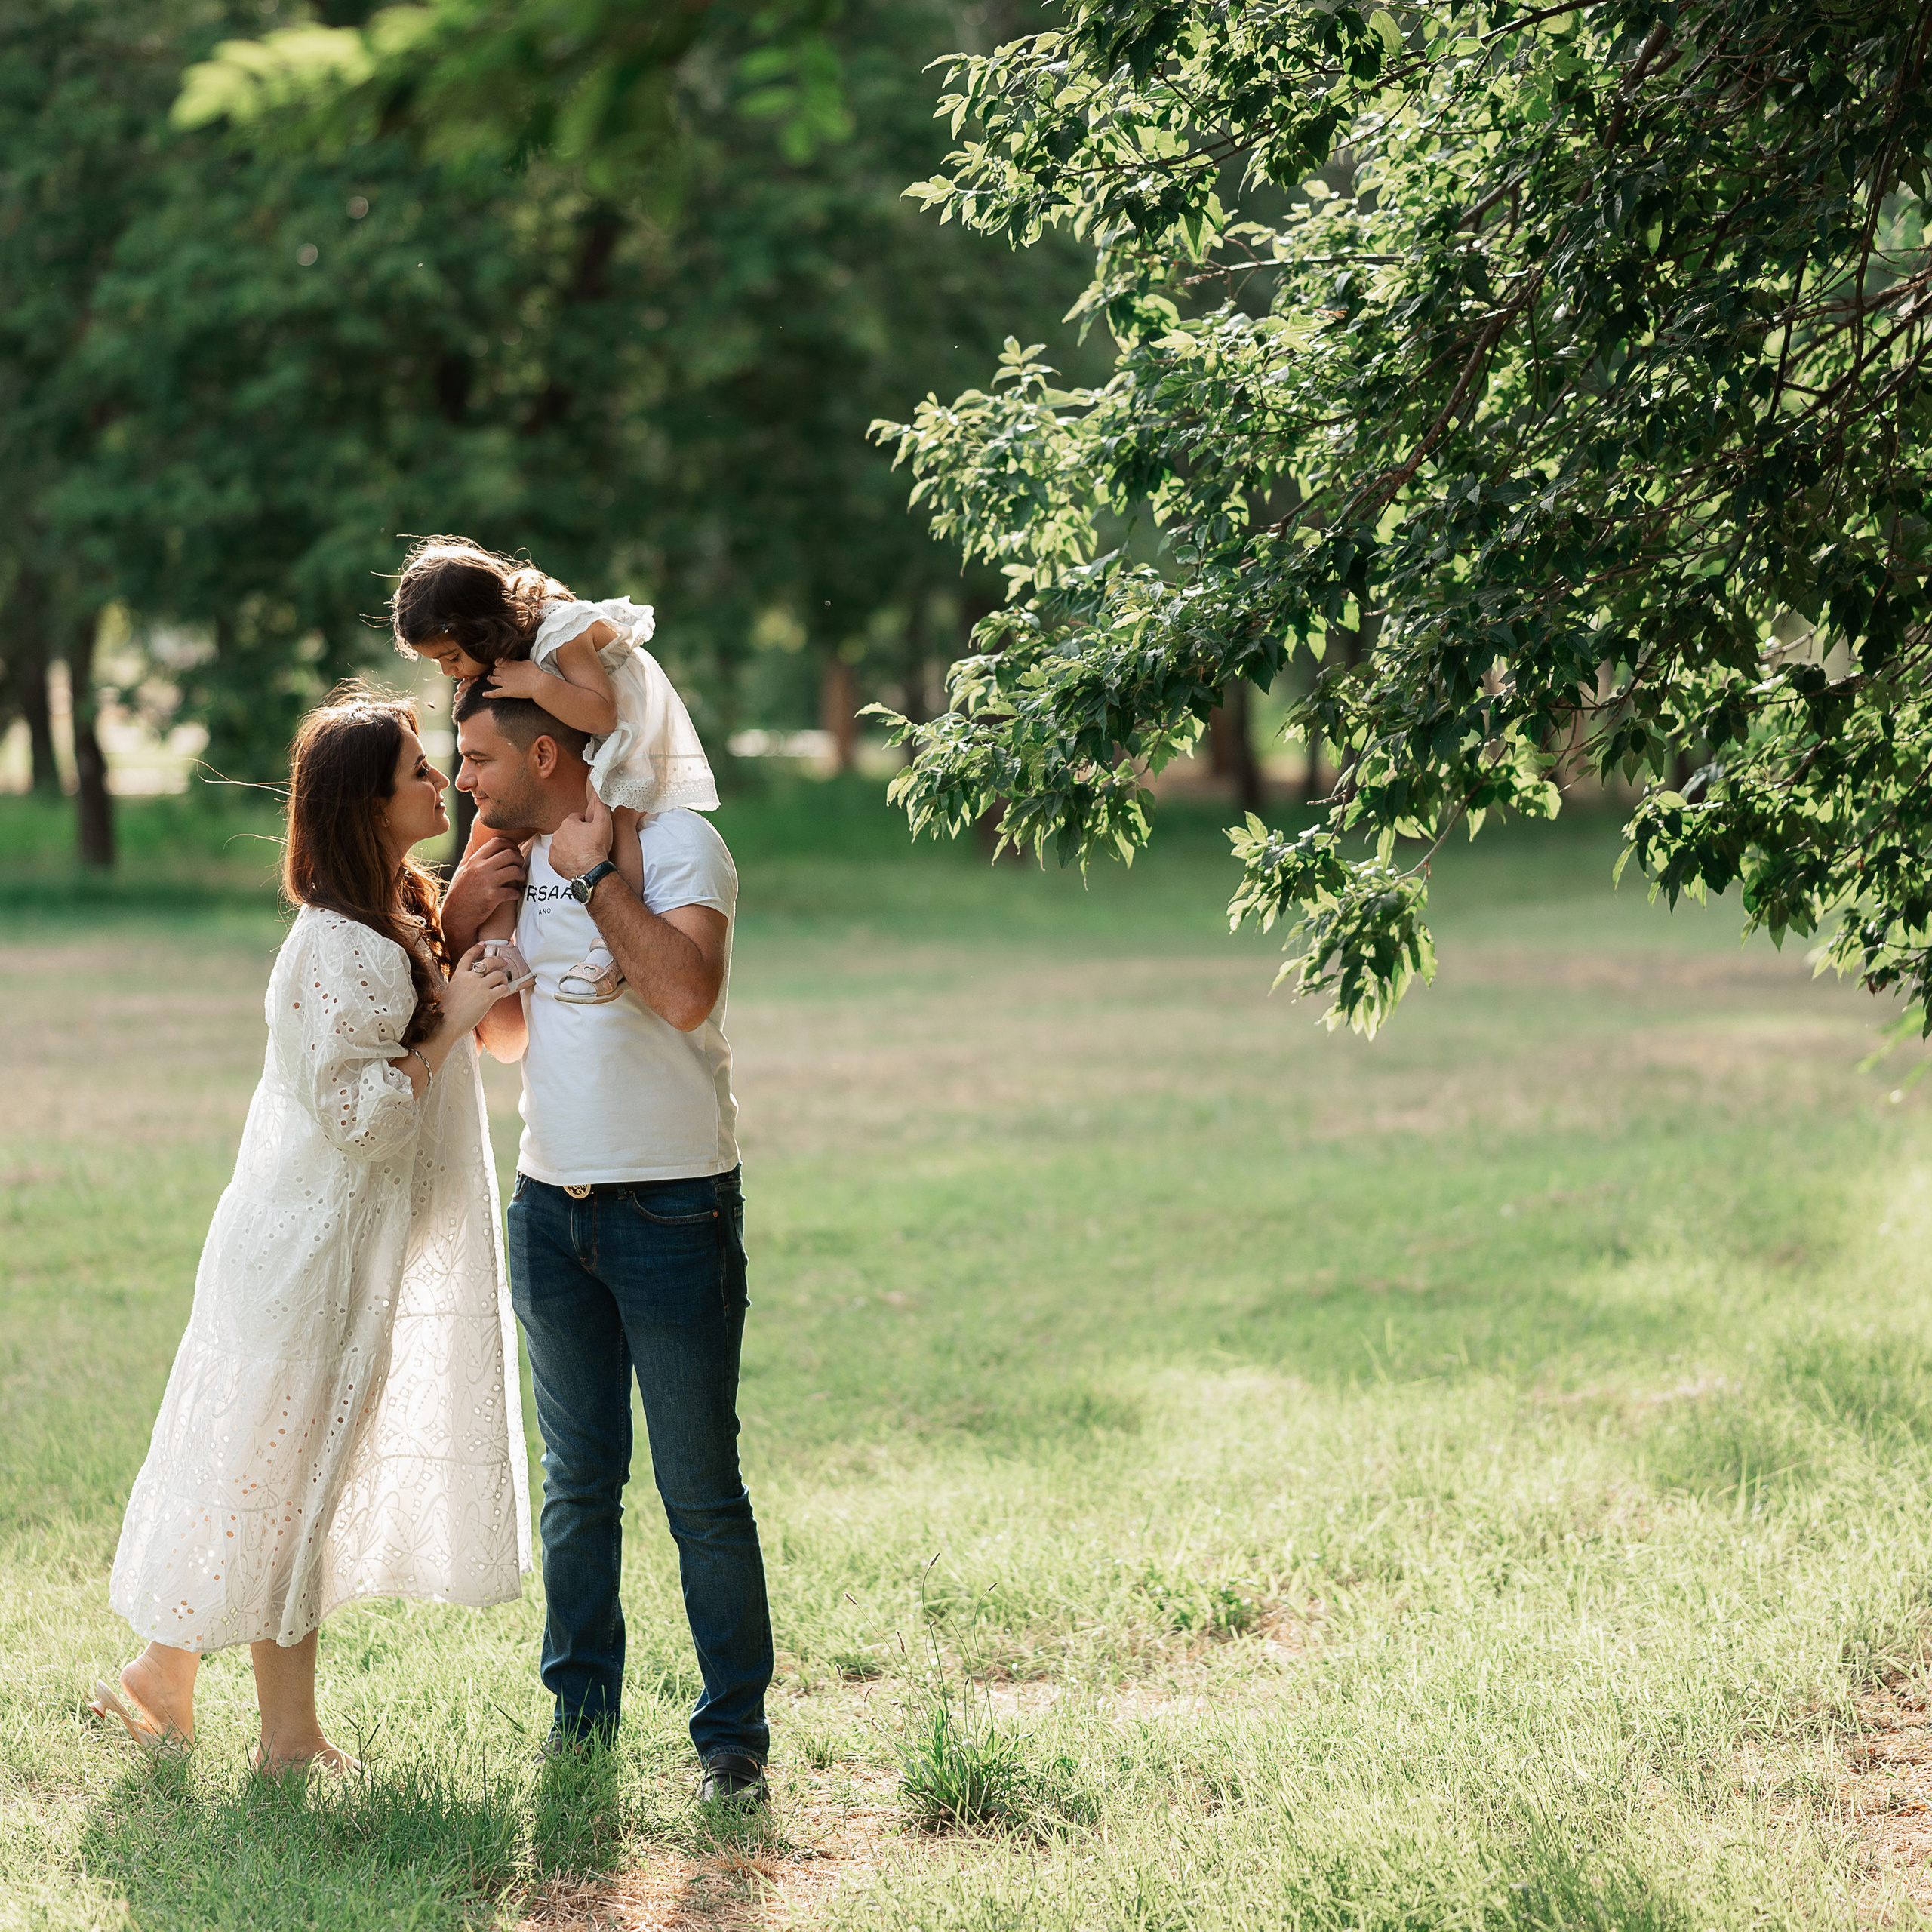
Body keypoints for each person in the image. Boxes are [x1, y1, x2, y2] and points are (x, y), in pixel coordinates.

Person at [90, 688, 529, 1773]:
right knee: (291, 1482)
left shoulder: (382, 917)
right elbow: (361, 1119)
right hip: (315, 1257)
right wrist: (458, 1023)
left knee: (273, 1469)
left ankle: (162, 1679)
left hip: (320, 1249)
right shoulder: (344, 947)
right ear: (362, 804)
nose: (438, 785)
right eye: (417, 774)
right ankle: (286, 1741)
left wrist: (462, 903)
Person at [440, 674, 773, 1807]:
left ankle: (732, 1743)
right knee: (578, 1487)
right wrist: (470, 921)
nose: (460, 782)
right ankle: (580, 1727)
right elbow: (502, 1035)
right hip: (550, 1209)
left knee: (699, 1490)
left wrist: (587, 880)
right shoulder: (505, 860)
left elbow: (684, 995)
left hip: (674, 1209)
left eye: (478, 759)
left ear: (545, 757)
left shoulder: (680, 844)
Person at [392, 537, 718, 1006]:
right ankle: (501, 951)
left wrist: (537, 684)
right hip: (581, 726)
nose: (449, 672)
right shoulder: (509, 648)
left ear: (480, 628)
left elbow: (602, 714)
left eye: (452, 657)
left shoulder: (561, 627)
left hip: (622, 726)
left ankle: (609, 946)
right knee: (493, 832)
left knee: (616, 814)